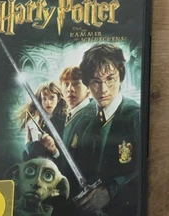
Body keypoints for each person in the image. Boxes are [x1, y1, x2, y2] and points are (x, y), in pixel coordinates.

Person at [66, 44, 141, 216]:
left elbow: (147, 170)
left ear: (120, 78)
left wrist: (110, 191)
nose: (103, 89)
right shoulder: (83, 120)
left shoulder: (135, 116)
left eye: (110, 79)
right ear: (87, 84)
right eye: (95, 81)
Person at [18, 82, 67, 160]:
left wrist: (54, 151)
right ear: (40, 100)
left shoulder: (64, 120)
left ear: (58, 98)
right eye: (44, 99)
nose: (48, 102)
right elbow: (27, 153)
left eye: (52, 98)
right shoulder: (36, 119)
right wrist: (28, 144)